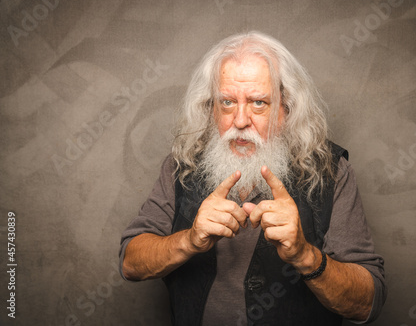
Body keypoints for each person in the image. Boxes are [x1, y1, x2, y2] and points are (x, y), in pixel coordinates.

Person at [119, 31, 386, 325]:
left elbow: (367, 304)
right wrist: (189, 240)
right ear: (210, 108)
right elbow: (131, 263)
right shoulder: (180, 165)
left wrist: (304, 255)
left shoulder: (332, 172)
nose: (241, 120)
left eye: (259, 103)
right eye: (227, 102)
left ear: (287, 107)